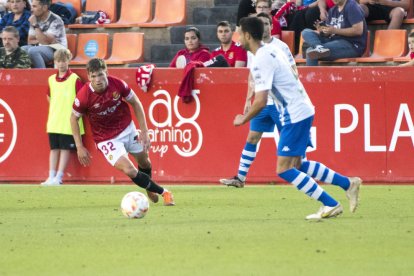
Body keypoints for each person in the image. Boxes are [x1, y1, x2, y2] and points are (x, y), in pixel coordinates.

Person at [234, 16, 361, 220]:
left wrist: (243, 118)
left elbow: (260, 100)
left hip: (294, 113)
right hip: (300, 108)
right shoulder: (272, 49)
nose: (237, 37)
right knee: (297, 165)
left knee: (284, 169)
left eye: (239, 33)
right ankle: (348, 183)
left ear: (247, 35)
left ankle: (331, 204)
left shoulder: (261, 60)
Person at [70, 58, 175, 206]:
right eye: (93, 76)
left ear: (106, 72)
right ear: (89, 77)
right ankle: (164, 192)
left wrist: (144, 131)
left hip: (127, 128)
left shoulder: (117, 84)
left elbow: (136, 103)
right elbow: (73, 118)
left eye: (100, 75)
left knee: (144, 161)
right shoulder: (84, 96)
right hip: (106, 139)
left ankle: (148, 186)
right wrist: (79, 146)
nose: (98, 80)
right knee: (130, 170)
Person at [220, 12, 296, 188]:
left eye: (267, 23)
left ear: (270, 26)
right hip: (262, 102)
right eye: (261, 23)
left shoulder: (280, 47)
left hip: (278, 103)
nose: (265, 26)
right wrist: (248, 99)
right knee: (252, 137)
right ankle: (240, 177)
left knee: (289, 141)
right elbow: (253, 75)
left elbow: (294, 71)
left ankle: (299, 173)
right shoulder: (253, 50)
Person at [41, 49, 84, 186]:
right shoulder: (51, 80)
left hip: (69, 122)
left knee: (65, 149)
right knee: (53, 149)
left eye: (63, 60)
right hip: (54, 121)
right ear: (55, 62)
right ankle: (51, 176)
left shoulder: (75, 79)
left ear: (69, 61)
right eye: (58, 61)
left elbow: (81, 98)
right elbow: (49, 97)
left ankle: (59, 177)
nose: (61, 64)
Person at [301, 0, 367, 66]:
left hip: (351, 44)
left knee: (311, 52)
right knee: (306, 32)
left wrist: (335, 30)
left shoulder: (351, 5)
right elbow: (329, 34)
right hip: (334, 41)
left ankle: (312, 75)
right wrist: (323, 31)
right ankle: (318, 47)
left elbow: (358, 30)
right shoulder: (332, 10)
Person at [22, 0, 67, 68]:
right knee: (22, 49)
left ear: (44, 8)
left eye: (34, 6)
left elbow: (44, 42)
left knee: (33, 51)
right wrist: (42, 40)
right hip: (42, 46)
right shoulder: (34, 18)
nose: (31, 9)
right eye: (31, 6)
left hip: (57, 49)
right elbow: (30, 41)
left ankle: (42, 75)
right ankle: (26, 77)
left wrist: (35, 25)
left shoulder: (56, 20)